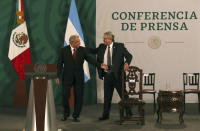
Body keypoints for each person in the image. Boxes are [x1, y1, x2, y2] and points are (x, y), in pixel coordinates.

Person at [56, 35, 107, 122]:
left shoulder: (82, 50)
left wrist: (100, 65)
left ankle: (76, 115)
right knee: (65, 96)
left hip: (79, 77)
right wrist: (57, 76)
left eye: (79, 41)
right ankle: (66, 114)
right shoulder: (63, 50)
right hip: (67, 77)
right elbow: (59, 63)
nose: (79, 43)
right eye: (77, 42)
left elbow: (90, 59)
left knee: (79, 96)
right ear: (72, 43)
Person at [88, 31, 133, 120]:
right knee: (107, 97)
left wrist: (127, 63)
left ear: (110, 39)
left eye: (105, 38)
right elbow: (93, 51)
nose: (103, 40)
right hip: (107, 75)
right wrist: (80, 48)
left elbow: (129, 56)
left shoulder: (120, 46)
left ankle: (129, 112)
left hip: (118, 76)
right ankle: (105, 115)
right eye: (103, 38)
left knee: (123, 95)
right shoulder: (101, 46)